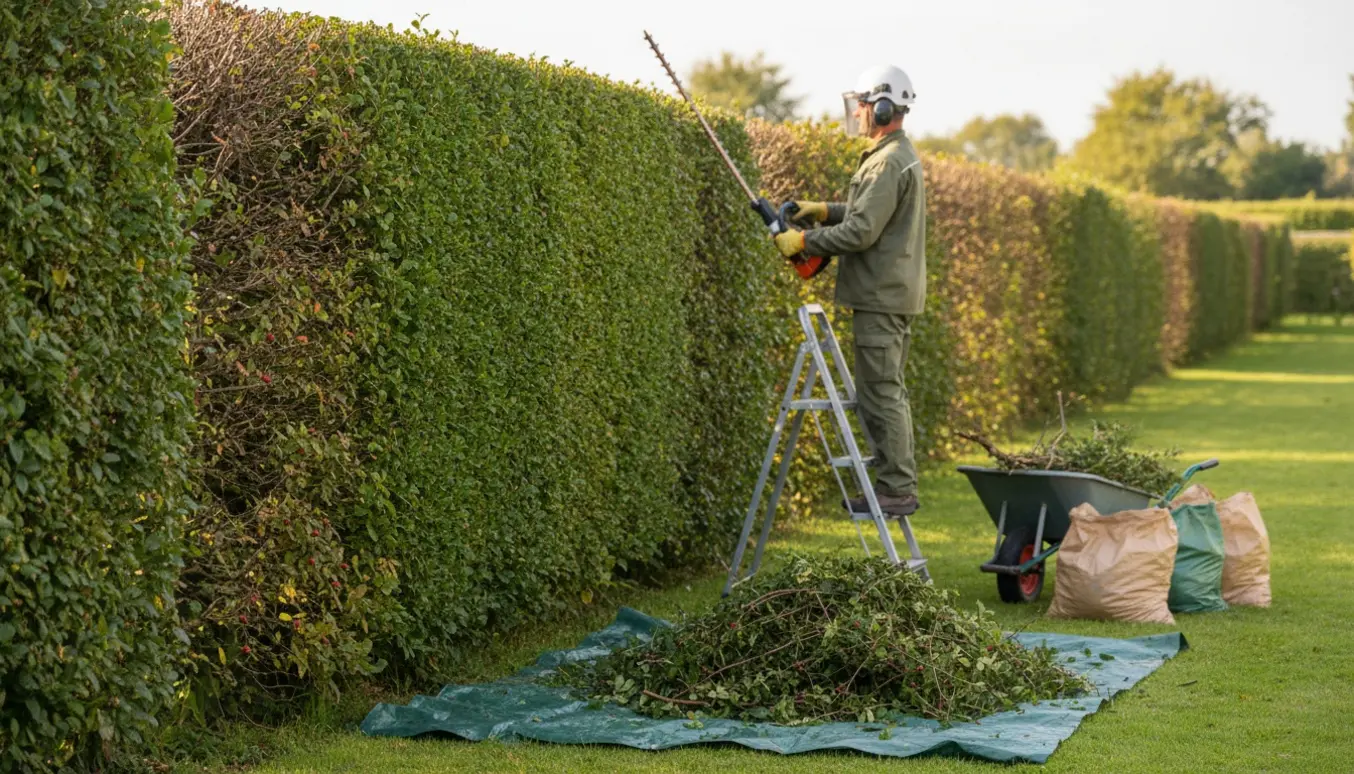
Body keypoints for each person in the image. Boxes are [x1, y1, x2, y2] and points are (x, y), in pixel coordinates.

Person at [772, 64, 927, 517]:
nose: (857, 113)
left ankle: (896, 489)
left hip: (880, 296)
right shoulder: (895, 157)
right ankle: (895, 484)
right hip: (887, 293)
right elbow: (866, 214)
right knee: (885, 390)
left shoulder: (887, 161)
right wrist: (823, 211)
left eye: (862, 105)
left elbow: (862, 232)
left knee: (881, 393)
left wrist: (804, 241)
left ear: (881, 108)